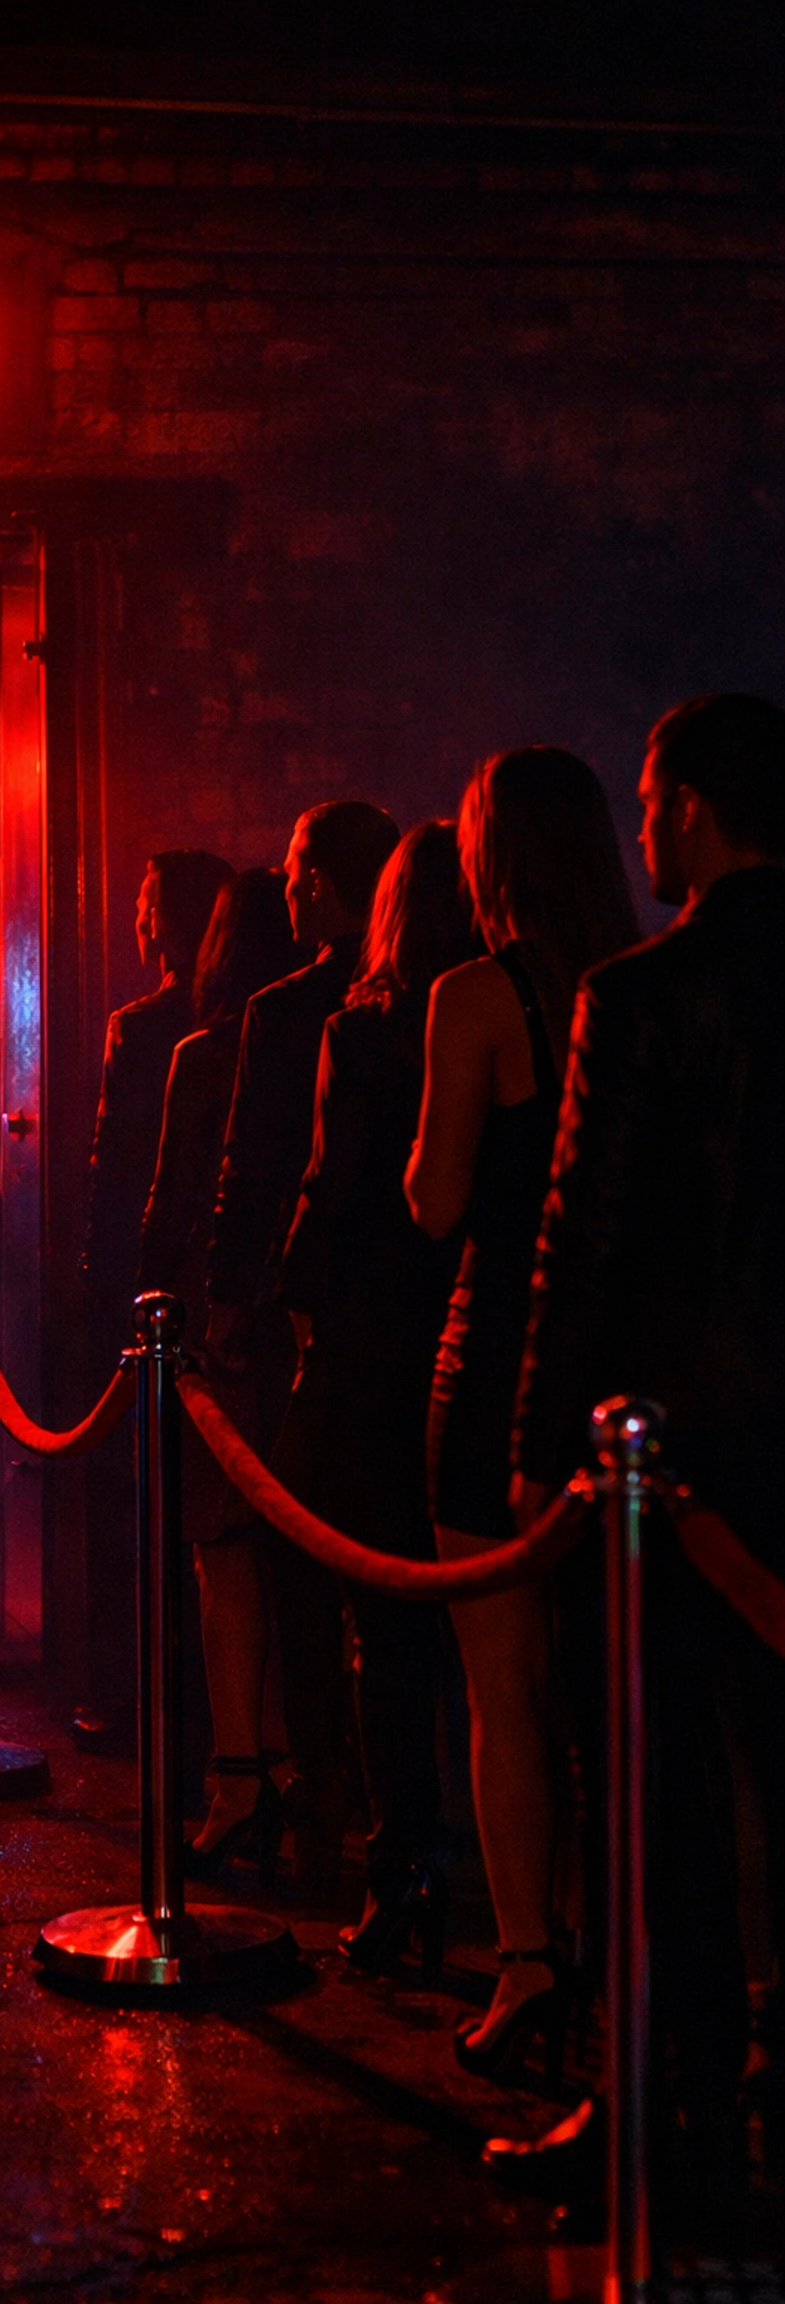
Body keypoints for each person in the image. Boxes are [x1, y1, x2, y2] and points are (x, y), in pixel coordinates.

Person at [500, 694, 785, 2234]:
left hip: (666, 1461)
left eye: (656, 798)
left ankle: (662, 2120)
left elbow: (581, 1248)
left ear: (687, 810)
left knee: (653, 1797)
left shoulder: (640, 991)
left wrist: (545, 1456)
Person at [405, 748, 637, 2072]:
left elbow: (436, 1202)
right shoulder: (638, 983)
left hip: (493, 1356)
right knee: (621, 1689)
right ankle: (641, 1954)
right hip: (617, 1368)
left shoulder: (479, 996)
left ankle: (529, 1963)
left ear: (489, 857)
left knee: (504, 1687)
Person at [274, 822, 476, 1961]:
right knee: (494, 1628)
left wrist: (295, 1290)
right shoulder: (537, 1005)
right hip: (483, 1328)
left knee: (378, 1621)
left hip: (373, 1346)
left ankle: (400, 1865)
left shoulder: (368, 1027)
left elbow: (333, 1190)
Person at [204, 800, 400, 1900]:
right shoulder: (439, 993)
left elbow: (257, 1163)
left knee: (302, 1549)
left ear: (320, 884)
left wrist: (235, 1295)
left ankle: (323, 1792)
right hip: (413, 1313)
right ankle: (396, 1804)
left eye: (293, 869)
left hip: (305, 1310)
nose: (283, 887)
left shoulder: (292, 1011)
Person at [135, 870, 299, 1877]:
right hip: (308, 1322)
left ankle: (240, 1774)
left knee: (223, 1549)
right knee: (305, 1554)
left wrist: (152, 1303)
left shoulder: (208, 1052)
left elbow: (169, 1205)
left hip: (218, 1329)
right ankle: (296, 1771)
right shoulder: (344, 1023)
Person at [74, 846, 234, 1751]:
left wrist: (100, 1281)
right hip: (217, 1282)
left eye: (143, 904)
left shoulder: (144, 1027)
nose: (136, 921)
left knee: (138, 1497)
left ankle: (138, 1693)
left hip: (147, 1284)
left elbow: (115, 1169)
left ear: (160, 920)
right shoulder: (248, 1017)